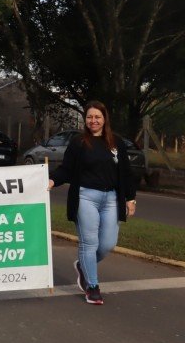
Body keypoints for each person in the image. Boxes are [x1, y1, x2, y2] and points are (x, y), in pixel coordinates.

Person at [48, 100, 137, 305]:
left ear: (104, 118)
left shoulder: (116, 143)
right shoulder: (79, 143)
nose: (93, 120)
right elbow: (66, 169)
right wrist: (52, 180)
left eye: (97, 117)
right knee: (89, 243)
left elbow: (126, 173)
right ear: (85, 120)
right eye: (89, 117)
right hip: (85, 197)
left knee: (107, 244)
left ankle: (83, 266)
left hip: (112, 199)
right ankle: (92, 286)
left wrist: (130, 198)